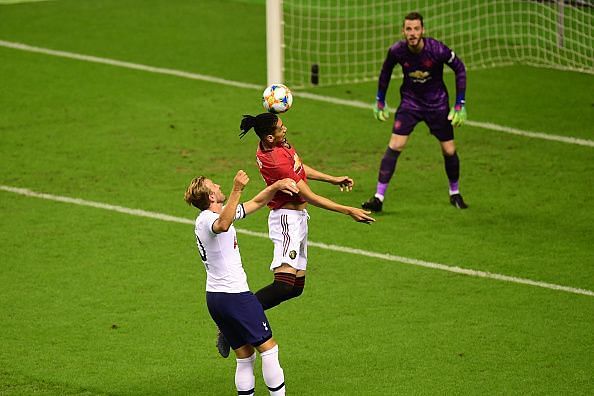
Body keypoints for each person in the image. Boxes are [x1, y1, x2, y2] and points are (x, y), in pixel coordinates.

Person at [239, 112, 375, 314]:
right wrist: (349, 210)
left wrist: (332, 179)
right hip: (286, 219)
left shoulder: (278, 144)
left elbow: (298, 167)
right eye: (281, 128)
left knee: (295, 288)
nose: (285, 129)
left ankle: (240, 319)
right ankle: (235, 320)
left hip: (299, 219)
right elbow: (311, 197)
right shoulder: (276, 161)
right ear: (269, 137)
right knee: (283, 284)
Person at [184, 170, 300, 395]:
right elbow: (223, 225)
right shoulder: (208, 220)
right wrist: (237, 188)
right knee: (269, 350)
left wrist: (275, 187)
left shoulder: (214, 216)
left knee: (245, 357)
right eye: (214, 186)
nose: (219, 186)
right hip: (234, 296)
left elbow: (255, 203)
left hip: (216, 298)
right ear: (210, 197)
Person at [362, 11, 468, 212]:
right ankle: (378, 198)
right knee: (395, 145)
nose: (412, 33)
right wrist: (380, 100)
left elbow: (460, 69)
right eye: (408, 29)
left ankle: (455, 193)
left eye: (416, 29)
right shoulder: (397, 51)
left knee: (449, 150)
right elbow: (385, 72)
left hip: (437, 104)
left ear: (423, 30)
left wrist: (459, 104)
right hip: (410, 104)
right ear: (403, 31)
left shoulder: (437, 50)